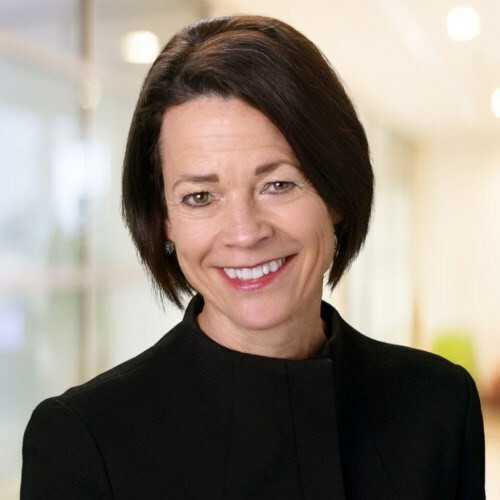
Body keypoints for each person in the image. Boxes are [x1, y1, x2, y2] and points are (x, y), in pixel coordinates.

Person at [21, 15, 485, 499]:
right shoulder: (83, 441)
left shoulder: (438, 405)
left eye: (278, 184)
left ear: (337, 196)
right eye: (200, 196)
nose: (244, 233)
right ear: (164, 222)